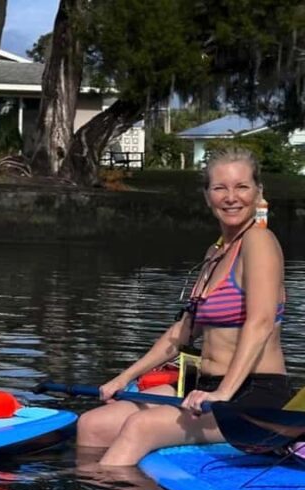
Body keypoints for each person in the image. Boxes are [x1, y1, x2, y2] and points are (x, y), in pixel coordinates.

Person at [77, 146, 290, 466]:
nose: (231, 197)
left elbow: (259, 323)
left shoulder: (259, 242)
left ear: (258, 192)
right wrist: (123, 379)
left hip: (253, 394)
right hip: (203, 386)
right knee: (92, 425)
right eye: (220, 188)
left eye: (242, 186)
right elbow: (182, 333)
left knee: (141, 426)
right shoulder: (215, 252)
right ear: (207, 196)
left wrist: (223, 394)